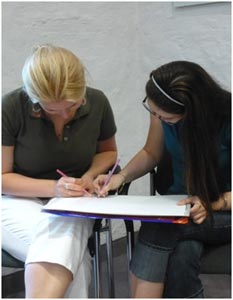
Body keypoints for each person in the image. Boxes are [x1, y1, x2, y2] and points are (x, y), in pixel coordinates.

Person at [94, 61, 231, 298]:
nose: (156, 117)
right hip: (183, 209)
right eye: (153, 111)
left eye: (163, 116)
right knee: (182, 255)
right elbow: (151, 153)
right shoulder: (162, 113)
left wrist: (214, 204)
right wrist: (121, 176)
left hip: (223, 212)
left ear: (192, 111)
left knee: (159, 227)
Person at [2, 44, 117, 298]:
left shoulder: (97, 101)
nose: (64, 114)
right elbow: (2, 179)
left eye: (73, 106)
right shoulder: (11, 106)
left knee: (65, 241)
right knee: (68, 249)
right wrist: (54, 188)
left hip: (75, 201)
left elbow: (109, 153)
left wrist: (88, 176)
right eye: (52, 109)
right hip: (15, 200)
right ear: (33, 99)